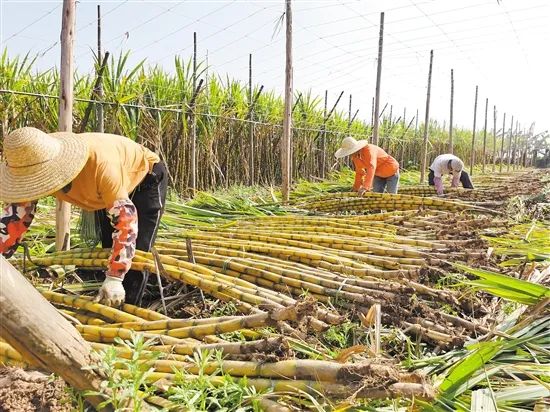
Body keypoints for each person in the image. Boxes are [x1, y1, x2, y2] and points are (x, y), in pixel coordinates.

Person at [0, 127, 168, 307]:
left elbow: (126, 222)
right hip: (104, 193)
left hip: (145, 179)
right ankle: (111, 304)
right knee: (109, 248)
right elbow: (15, 218)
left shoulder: (100, 167)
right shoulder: (31, 159)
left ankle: (127, 316)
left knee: (135, 256)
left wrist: (115, 277)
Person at [335, 136, 400, 194]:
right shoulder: (355, 157)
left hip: (391, 171)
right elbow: (359, 172)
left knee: (391, 196)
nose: (349, 155)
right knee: (376, 196)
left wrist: (365, 187)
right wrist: (356, 187)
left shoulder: (368, 150)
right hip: (378, 174)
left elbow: (371, 167)